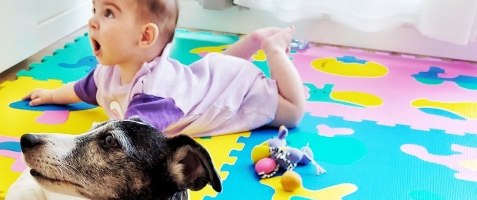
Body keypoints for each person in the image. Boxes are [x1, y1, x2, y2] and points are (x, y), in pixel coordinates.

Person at [24, 0, 306, 137]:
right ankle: (252, 41)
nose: (93, 22)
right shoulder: (108, 73)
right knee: (211, 75)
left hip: (238, 95)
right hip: (211, 75)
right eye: (95, 10)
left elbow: (130, 136)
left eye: (108, 13)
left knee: (292, 112)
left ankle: (273, 50)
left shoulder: (158, 95)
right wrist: (50, 96)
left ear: (145, 37)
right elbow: (80, 89)